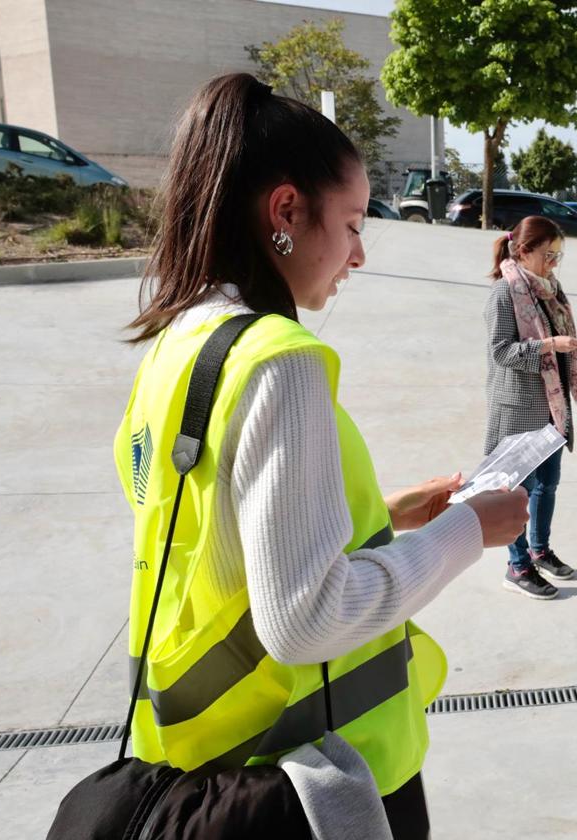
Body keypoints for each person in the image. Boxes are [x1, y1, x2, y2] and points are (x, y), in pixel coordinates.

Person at [114, 73, 528, 839]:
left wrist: (386, 513)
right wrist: (470, 530)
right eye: (353, 222)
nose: (360, 253)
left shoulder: (179, 342)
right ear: (284, 212)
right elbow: (306, 619)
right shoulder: (282, 359)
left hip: (203, 757)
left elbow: (210, 527)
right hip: (310, 770)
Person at [485, 215, 577, 600]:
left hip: (552, 405)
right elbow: (501, 351)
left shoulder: (550, 290)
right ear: (523, 251)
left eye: (558, 255)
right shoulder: (505, 293)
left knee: (547, 484)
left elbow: (558, 340)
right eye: (548, 254)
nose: (553, 262)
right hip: (519, 408)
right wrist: (551, 347)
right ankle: (517, 566)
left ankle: (539, 548)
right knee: (518, 490)